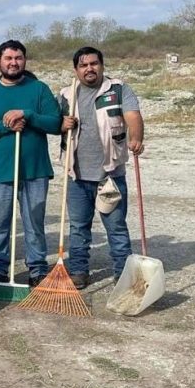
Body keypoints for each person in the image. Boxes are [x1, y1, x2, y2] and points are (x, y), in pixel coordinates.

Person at [0, 40, 62, 289]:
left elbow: (55, 123)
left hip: (34, 170)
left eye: (18, 58)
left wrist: (28, 115)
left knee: (34, 221)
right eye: (8, 58)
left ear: (25, 60)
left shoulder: (39, 89)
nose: (13, 62)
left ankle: (37, 269)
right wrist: (4, 125)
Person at [58, 46, 145, 289]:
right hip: (76, 176)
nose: (89, 69)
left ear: (102, 66)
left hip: (110, 175)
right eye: (83, 65)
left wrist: (136, 138)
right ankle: (78, 271)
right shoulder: (66, 95)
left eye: (94, 64)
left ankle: (122, 274)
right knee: (78, 228)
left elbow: (133, 116)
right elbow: (54, 123)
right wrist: (61, 122)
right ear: (76, 70)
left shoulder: (118, 89)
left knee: (116, 228)